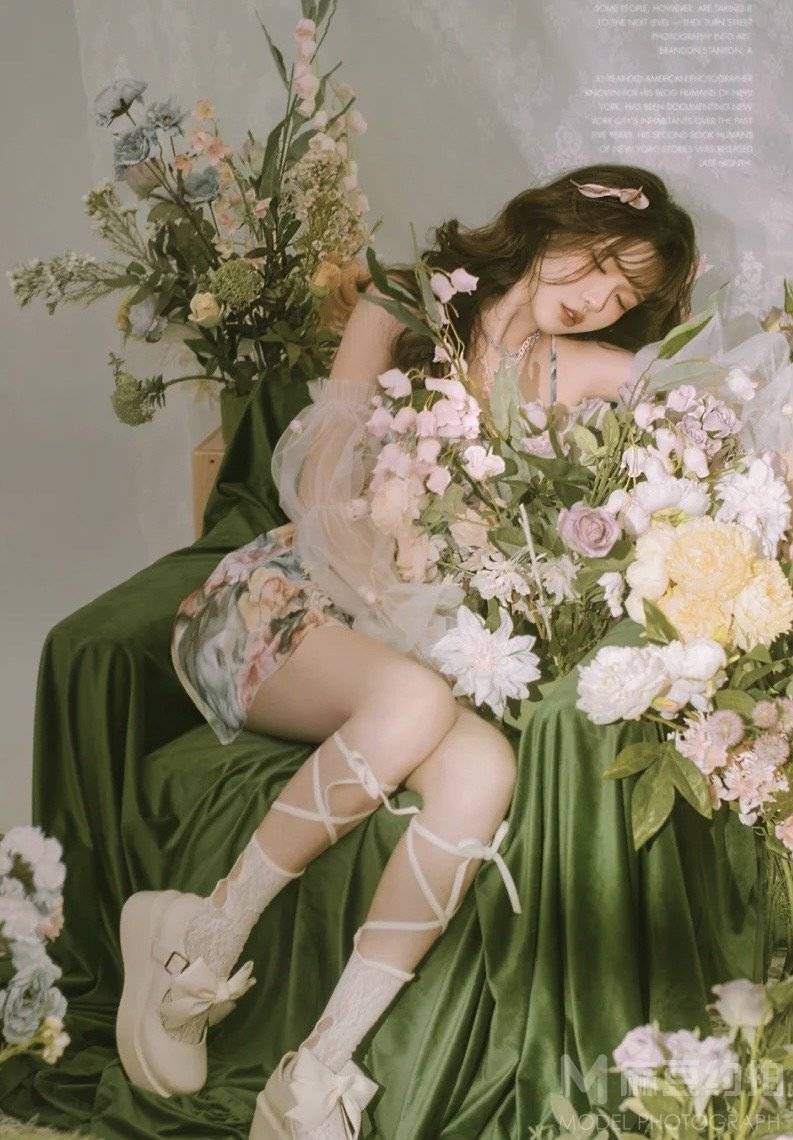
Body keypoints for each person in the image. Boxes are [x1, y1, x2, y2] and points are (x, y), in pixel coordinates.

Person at [115, 163, 700, 1138]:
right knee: (420, 703)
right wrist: (385, 556)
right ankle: (199, 942)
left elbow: (701, 402)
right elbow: (318, 472)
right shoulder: (402, 305)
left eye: (624, 293)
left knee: (483, 770)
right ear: (549, 224)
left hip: (408, 644)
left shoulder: (576, 367)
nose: (598, 297)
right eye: (597, 261)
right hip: (281, 605)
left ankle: (318, 1067)